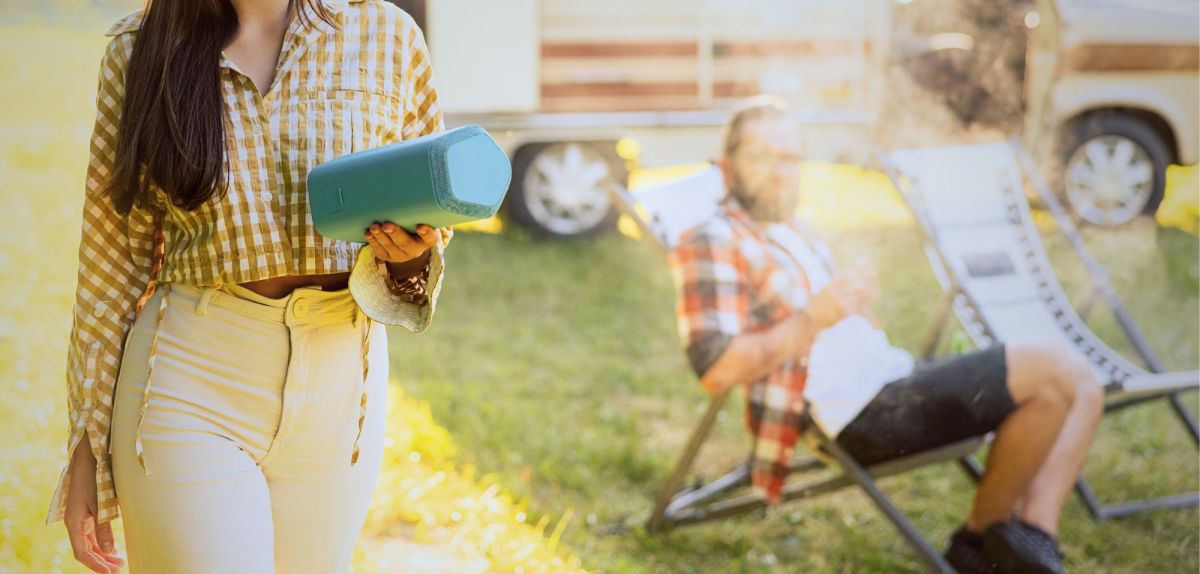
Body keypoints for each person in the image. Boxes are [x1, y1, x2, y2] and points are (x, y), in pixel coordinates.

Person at [46, 1, 453, 572]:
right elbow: (112, 261)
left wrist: (409, 260)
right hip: (191, 378)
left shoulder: (385, 32)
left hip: (343, 387)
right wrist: (87, 442)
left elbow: (430, 221)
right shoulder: (139, 47)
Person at [668, 96, 1104, 574]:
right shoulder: (713, 238)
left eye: (790, 157)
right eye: (761, 156)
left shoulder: (797, 230)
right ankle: (979, 543)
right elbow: (718, 368)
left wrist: (855, 304)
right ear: (728, 165)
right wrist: (815, 316)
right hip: (861, 416)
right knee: (1050, 370)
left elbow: (841, 326)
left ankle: (1034, 535)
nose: (780, 171)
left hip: (894, 379)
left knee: (1085, 385)